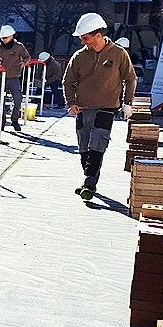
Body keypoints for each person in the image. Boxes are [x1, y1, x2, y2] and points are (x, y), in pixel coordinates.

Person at [64, 12, 136, 201]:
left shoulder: (119, 54)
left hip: (107, 107)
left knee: (98, 143)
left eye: (85, 38)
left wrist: (127, 102)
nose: (83, 42)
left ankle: (89, 184)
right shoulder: (79, 57)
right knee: (84, 148)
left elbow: (130, 78)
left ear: (98, 35)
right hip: (83, 108)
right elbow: (68, 81)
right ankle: (88, 178)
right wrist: (71, 102)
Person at [0, 24, 31, 132]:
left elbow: (27, 56)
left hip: (14, 77)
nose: (3, 40)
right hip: (1, 77)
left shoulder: (19, 47)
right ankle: (2, 121)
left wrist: (24, 62)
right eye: (2, 38)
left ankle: (14, 120)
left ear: (12, 36)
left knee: (18, 100)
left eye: (5, 38)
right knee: (0, 101)